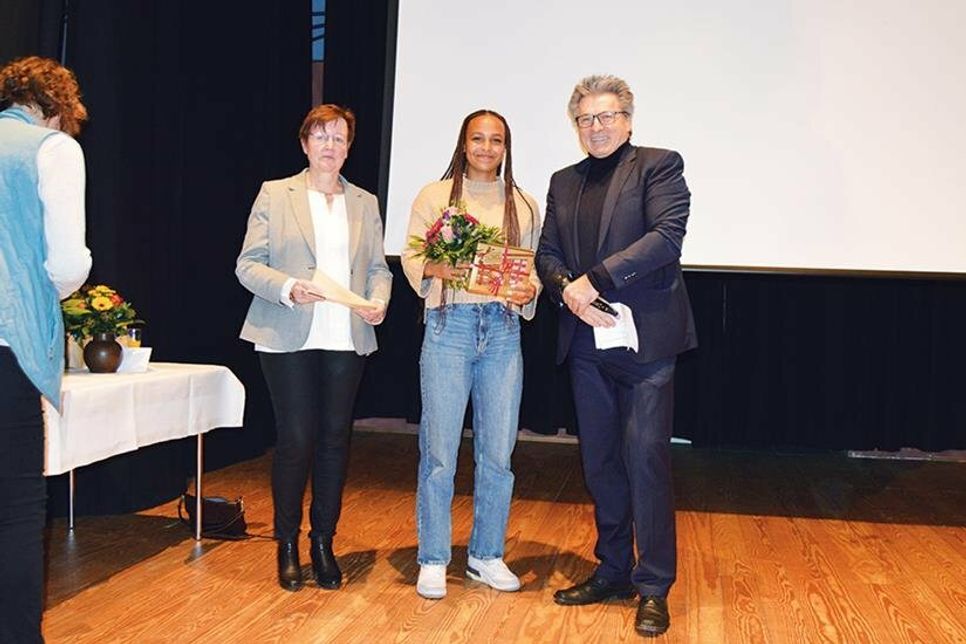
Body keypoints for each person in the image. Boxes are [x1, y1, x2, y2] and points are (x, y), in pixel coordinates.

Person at [535, 74, 696, 637]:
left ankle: (654, 586)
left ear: (627, 120)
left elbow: (665, 238)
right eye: (585, 119)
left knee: (645, 459)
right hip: (584, 342)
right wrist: (564, 288)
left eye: (605, 117)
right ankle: (613, 570)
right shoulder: (563, 180)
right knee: (599, 461)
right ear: (575, 127)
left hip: (645, 341)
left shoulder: (658, 165)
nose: (595, 127)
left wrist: (593, 281)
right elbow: (547, 251)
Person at [236, 104, 392, 592]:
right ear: (304, 143)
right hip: (287, 333)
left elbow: (378, 270)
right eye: (321, 136)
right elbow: (248, 264)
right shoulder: (274, 193)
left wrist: (379, 302)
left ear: (349, 147)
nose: (330, 146)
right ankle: (286, 543)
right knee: (296, 439)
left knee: (333, 441)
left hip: (345, 333)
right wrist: (287, 287)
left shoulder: (364, 202)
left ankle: (323, 542)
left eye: (340, 138)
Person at [402, 109, 541, 599]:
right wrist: (449, 264)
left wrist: (528, 291)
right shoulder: (434, 197)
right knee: (439, 452)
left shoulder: (523, 204)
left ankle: (486, 555)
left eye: (496, 140)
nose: (486, 147)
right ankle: (434, 557)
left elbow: (531, 270)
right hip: (449, 328)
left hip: (502, 332)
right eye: (477, 138)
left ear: (507, 147)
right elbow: (414, 260)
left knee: (498, 454)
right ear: (463, 144)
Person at [0, 55, 93, 643]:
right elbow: (66, 263)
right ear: (57, 106)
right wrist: (46, 289)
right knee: (15, 504)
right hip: (9, 340)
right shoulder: (52, 149)